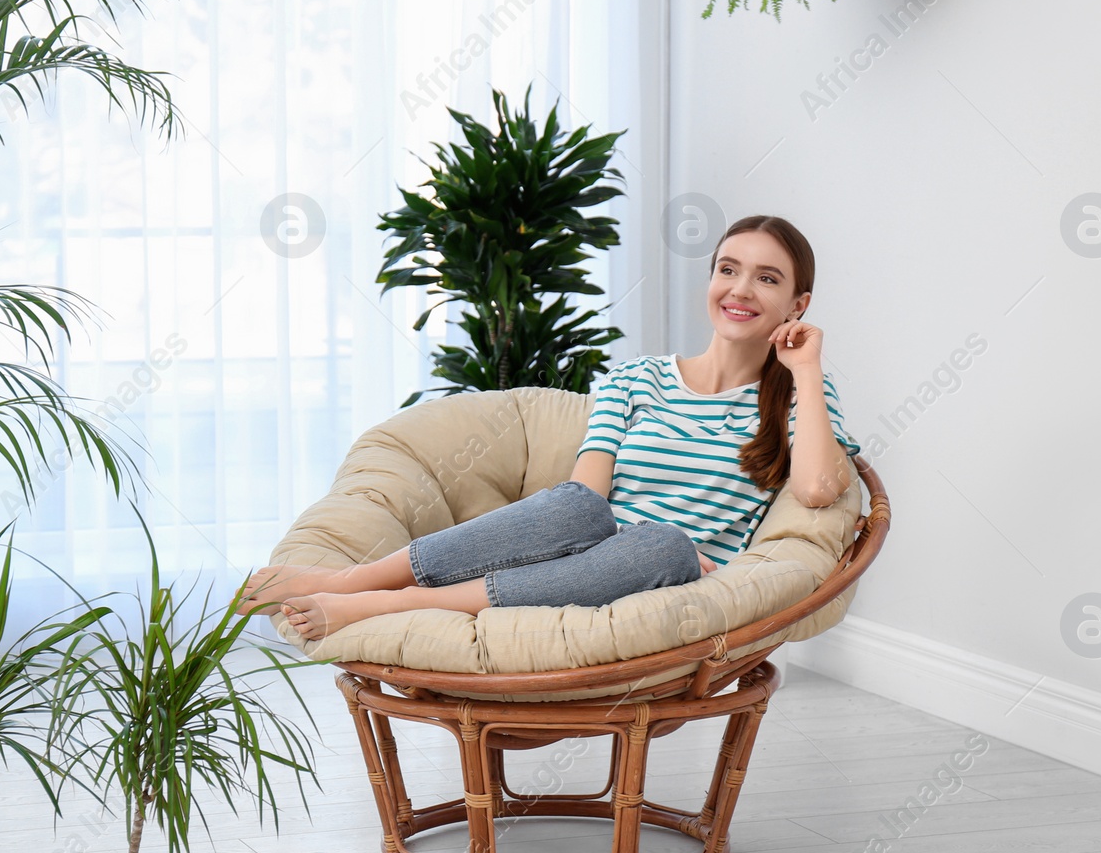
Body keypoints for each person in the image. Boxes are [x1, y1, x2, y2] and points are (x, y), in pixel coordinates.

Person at [238, 214, 861, 640]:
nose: (740, 289)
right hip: (587, 555)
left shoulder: (801, 397)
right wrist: (595, 534)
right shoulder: (635, 379)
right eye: (728, 269)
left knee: (662, 542)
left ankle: (374, 605)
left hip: (675, 576)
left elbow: (814, 491)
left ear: (798, 305)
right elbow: (583, 501)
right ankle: (347, 582)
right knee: (580, 506)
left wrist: (804, 367)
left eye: (768, 278)